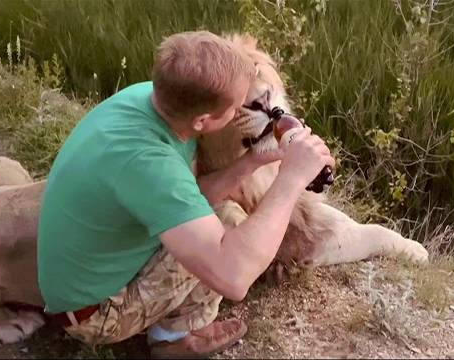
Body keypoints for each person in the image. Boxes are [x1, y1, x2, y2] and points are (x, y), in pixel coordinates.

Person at [36, 31, 334, 359]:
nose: (242, 113)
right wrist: (290, 180)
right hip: (96, 314)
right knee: (229, 222)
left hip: (86, 274)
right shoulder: (151, 164)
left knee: (215, 212)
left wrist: (251, 161)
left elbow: (193, 196)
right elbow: (234, 278)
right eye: (236, 109)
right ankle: (172, 339)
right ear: (203, 120)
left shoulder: (153, 101)